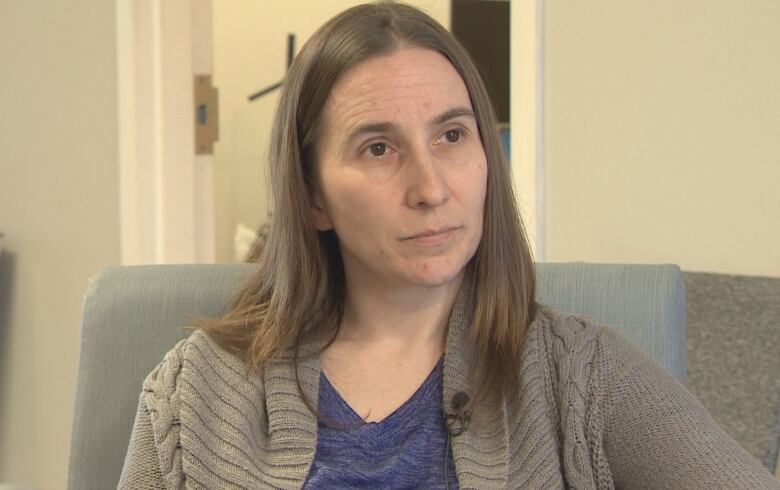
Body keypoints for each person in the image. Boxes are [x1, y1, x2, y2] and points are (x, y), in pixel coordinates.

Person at [119, 2, 780, 489]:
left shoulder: (583, 377)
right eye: (379, 148)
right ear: (313, 195)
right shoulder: (193, 390)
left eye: (452, 136)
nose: (431, 187)